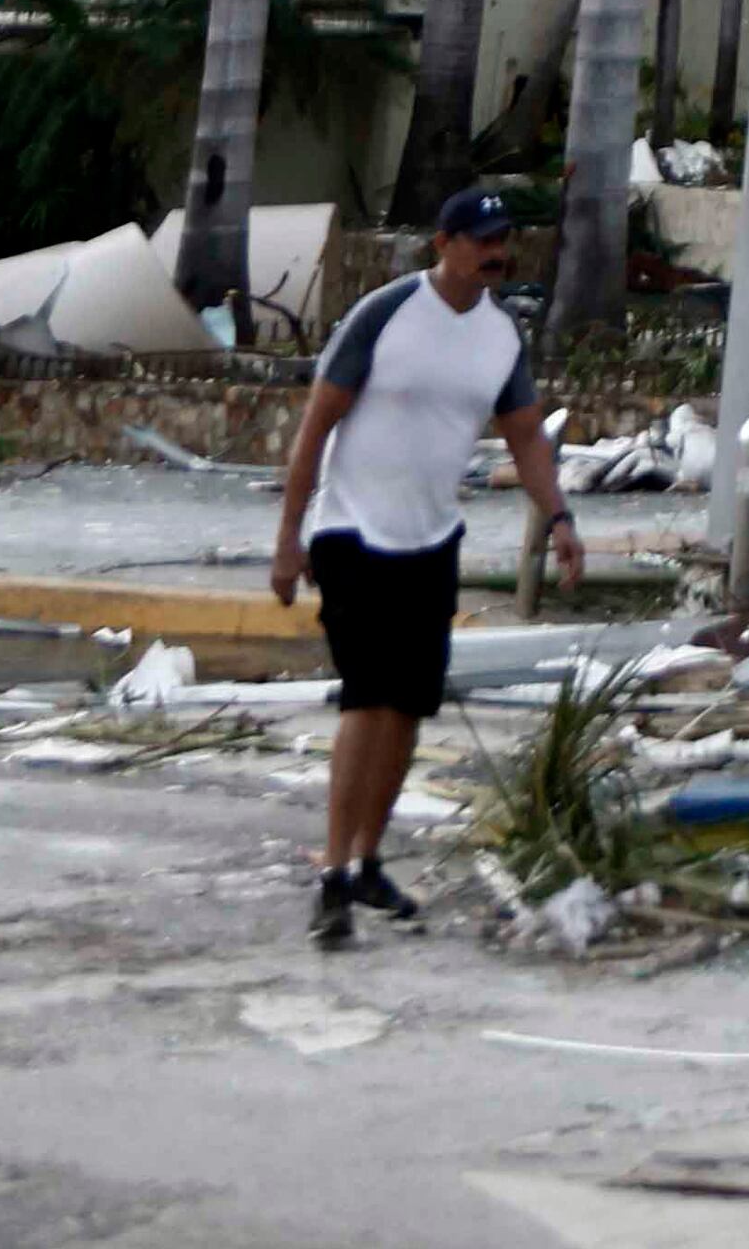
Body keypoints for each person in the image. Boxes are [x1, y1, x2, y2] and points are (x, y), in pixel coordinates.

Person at [265, 184, 590, 940]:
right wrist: (288, 536)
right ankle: (335, 875)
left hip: (432, 540)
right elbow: (316, 426)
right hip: (352, 533)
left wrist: (563, 517)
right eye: (482, 240)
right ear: (442, 244)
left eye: (503, 240)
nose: (496, 254)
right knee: (367, 697)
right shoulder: (385, 313)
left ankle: (370, 861)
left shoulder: (502, 337)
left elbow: (526, 439)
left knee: (409, 706)